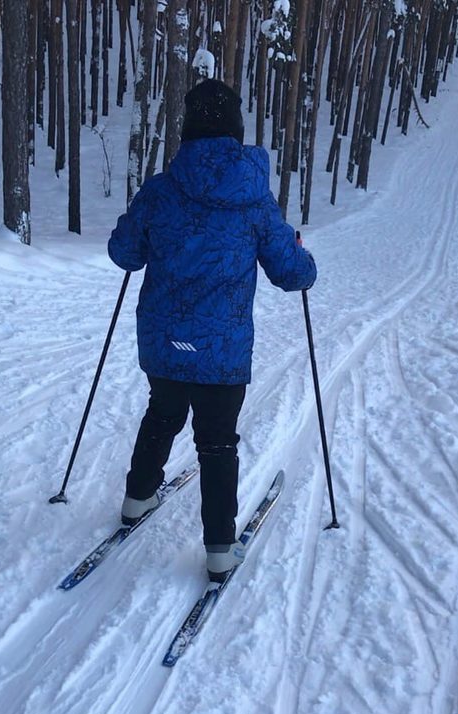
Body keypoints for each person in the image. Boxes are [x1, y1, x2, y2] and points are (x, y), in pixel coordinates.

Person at [108, 79, 316, 582]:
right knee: (217, 439)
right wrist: (301, 253)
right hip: (222, 351)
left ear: (187, 129)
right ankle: (220, 549)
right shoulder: (253, 198)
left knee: (163, 412)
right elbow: (292, 274)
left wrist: (138, 226)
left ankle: (138, 498)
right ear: (236, 129)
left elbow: (124, 254)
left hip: (164, 342)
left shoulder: (160, 190)